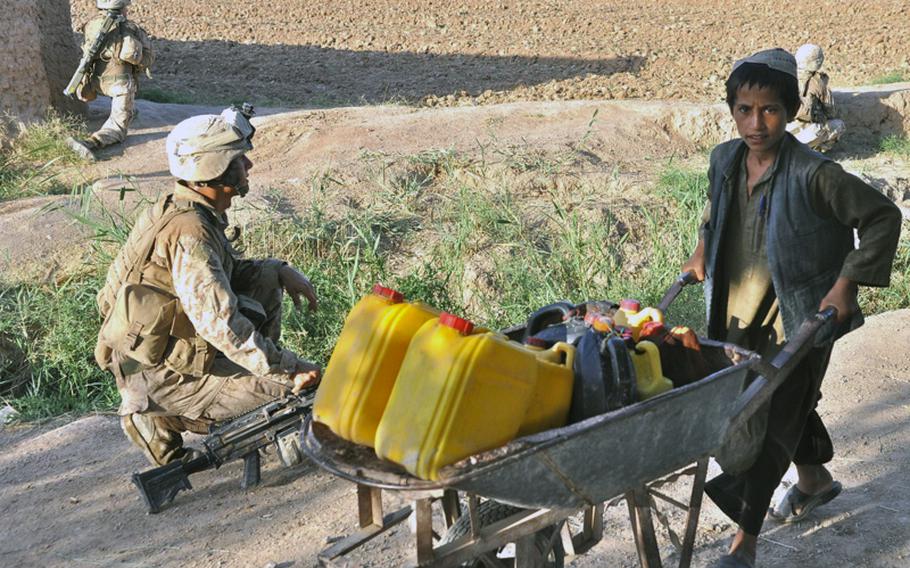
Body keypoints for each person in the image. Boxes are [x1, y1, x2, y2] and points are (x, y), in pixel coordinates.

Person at [680, 48, 902, 568]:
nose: (756, 124)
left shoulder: (815, 173)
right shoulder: (725, 160)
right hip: (737, 308)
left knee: (771, 410)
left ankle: (744, 544)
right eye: (744, 110)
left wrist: (847, 283)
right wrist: (702, 247)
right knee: (767, 397)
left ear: (792, 108)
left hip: (799, 311)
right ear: (732, 109)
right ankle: (815, 479)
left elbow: (881, 218)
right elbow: (716, 210)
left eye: (770, 111)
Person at [94, 105, 321, 466]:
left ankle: (228, 385)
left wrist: (280, 269)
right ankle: (157, 413)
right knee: (299, 391)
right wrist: (289, 367)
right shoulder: (190, 233)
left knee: (265, 275)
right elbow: (220, 324)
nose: (248, 167)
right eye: (237, 161)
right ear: (212, 170)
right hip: (167, 378)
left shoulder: (184, 207)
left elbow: (218, 284)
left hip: (161, 358)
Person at [66, 0, 153, 162]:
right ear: (122, 8)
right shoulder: (132, 29)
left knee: (128, 110)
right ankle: (90, 143)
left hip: (95, 82)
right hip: (120, 86)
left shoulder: (90, 25)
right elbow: (146, 60)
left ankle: (129, 112)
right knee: (118, 129)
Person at [785, 43, 846, 152]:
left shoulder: (784, 75)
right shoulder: (818, 82)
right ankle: (814, 153)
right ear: (817, 62)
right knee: (838, 125)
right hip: (803, 136)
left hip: (778, 133)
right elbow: (831, 112)